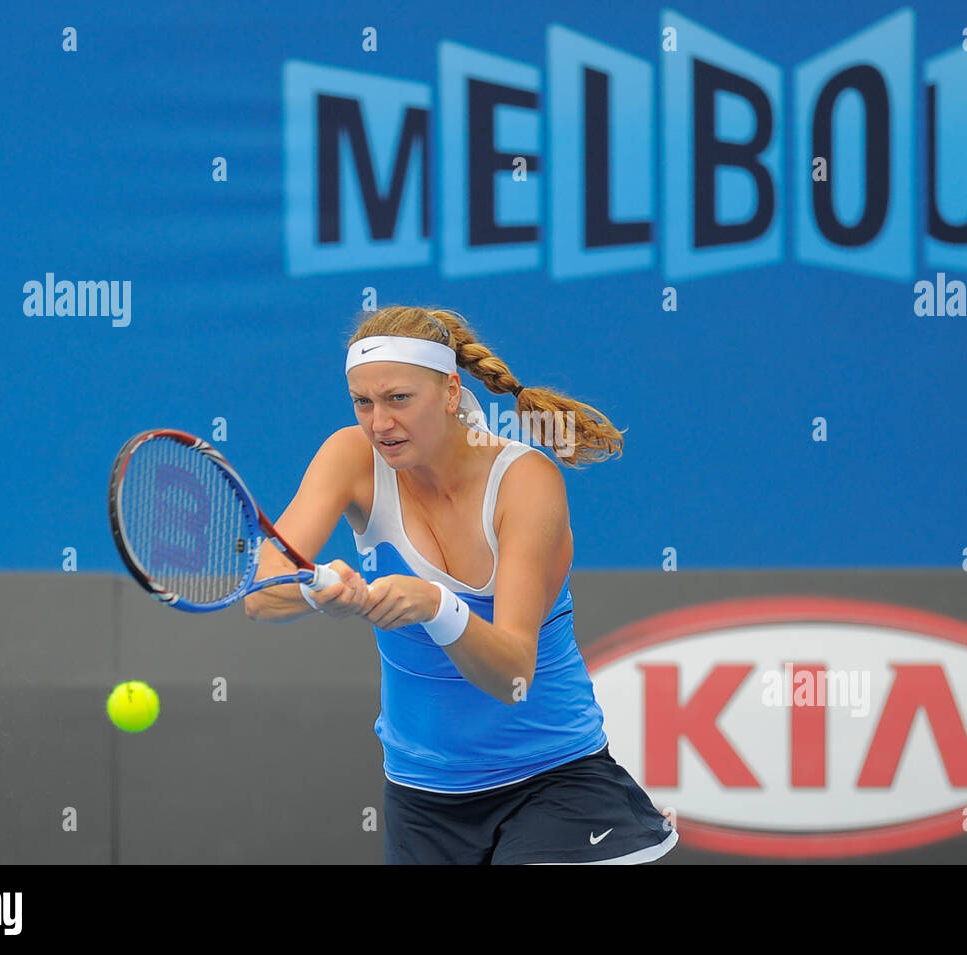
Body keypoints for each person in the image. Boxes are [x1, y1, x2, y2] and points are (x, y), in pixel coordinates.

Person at [244, 305, 677, 865]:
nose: (379, 423)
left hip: (553, 781)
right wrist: (316, 591)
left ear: (450, 392)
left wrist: (437, 606)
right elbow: (259, 595)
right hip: (422, 796)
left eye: (399, 398)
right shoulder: (348, 455)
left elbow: (513, 674)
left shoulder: (525, 479)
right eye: (363, 402)